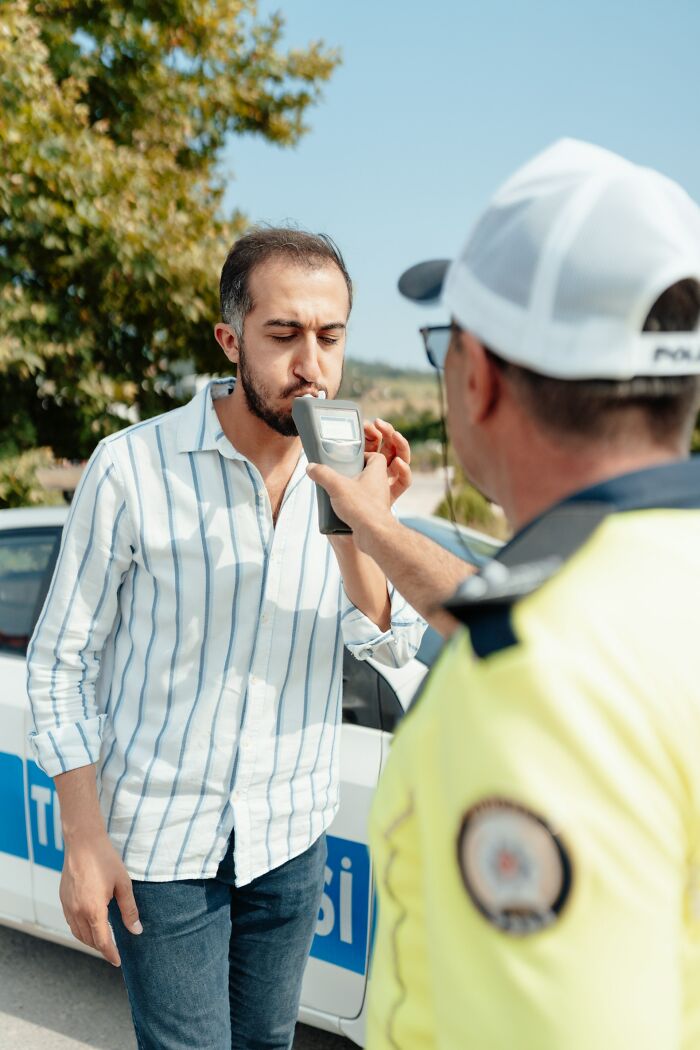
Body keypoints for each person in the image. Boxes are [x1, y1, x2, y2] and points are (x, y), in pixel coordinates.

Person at [307, 139, 700, 1048]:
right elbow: (530, 606)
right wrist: (380, 530)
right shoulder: (628, 587)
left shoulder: (534, 687)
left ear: (476, 377)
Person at [26, 226, 424, 1050]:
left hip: (290, 839)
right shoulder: (132, 469)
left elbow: (389, 647)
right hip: (163, 850)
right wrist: (84, 838)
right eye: (284, 335)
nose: (311, 364)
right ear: (231, 338)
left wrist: (363, 524)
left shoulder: (355, 479)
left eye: (331, 336)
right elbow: (60, 666)